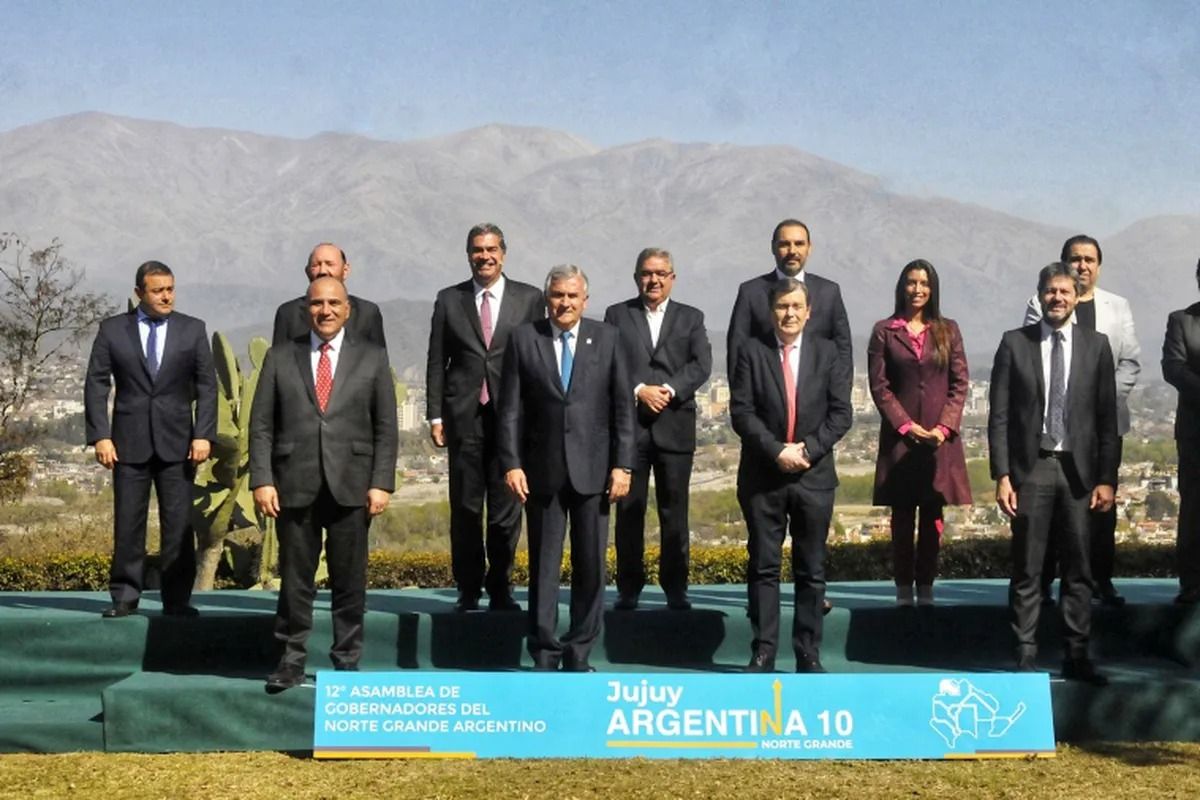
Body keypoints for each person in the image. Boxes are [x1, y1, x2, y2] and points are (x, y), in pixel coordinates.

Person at [250, 276, 398, 692]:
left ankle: (346, 662)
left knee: (350, 582)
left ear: (348, 308)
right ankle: (291, 661)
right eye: (318, 304)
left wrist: (381, 482)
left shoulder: (371, 357)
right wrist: (262, 479)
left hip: (353, 485)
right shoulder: (281, 357)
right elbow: (261, 424)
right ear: (306, 309)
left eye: (334, 303)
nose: (326, 310)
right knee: (295, 581)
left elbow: (386, 427)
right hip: (294, 484)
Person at [497, 265, 635, 672]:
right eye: (558, 295)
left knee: (591, 566)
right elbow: (509, 411)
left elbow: (622, 408)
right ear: (547, 298)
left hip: (595, 473)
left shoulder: (608, 339)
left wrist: (623, 465)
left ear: (585, 300)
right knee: (544, 566)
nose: (565, 303)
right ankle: (543, 651)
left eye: (573, 296)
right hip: (541, 474)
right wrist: (511, 464)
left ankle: (578, 652)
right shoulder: (525, 339)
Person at [989, 262, 1118, 686]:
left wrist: (1106, 478)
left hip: (1080, 474)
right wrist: (1003, 475)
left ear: (1077, 296)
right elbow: (1000, 416)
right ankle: (1024, 655)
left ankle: (1076, 656)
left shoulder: (1096, 346)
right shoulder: (1014, 344)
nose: (1057, 298)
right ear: (1039, 295)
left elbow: (1106, 418)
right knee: (1027, 568)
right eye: (1050, 291)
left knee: (1079, 570)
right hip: (1033, 469)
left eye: (1065, 291)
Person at [730, 278, 852, 673]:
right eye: (782, 307)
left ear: (809, 311)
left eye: (797, 306)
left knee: (811, 569)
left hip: (813, 477)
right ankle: (763, 650)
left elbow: (841, 414)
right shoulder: (751, 351)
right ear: (771, 311)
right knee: (764, 566)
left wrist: (808, 450)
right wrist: (776, 451)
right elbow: (742, 412)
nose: (789, 313)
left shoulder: (828, 353)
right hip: (763, 475)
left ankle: (808, 652)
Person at [84, 260, 217, 618]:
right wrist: (100, 436)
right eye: (158, 291)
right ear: (139, 293)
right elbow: (96, 383)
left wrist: (204, 434)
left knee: (178, 524)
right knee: (128, 522)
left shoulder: (192, 330)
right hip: (128, 444)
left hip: (179, 444)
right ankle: (125, 597)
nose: (166, 296)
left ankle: (177, 600)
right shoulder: (112, 330)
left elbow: (207, 385)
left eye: (170, 289)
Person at [425, 223, 544, 611]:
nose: (485, 256)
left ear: (504, 254)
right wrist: (434, 415)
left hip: (512, 417)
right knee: (465, 508)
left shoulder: (529, 299)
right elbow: (435, 361)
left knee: (507, 509)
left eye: (492, 249)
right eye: (478, 250)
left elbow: (537, 359)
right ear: (468, 255)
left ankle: (501, 586)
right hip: (464, 417)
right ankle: (468, 588)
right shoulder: (449, 300)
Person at [1024, 235, 1140, 606]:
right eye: (1075, 259)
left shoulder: (1118, 307)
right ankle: (1043, 584)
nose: (1083, 266)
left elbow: (1130, 363)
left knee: (1101, 507)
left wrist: (1097, 406)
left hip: (1104, 429)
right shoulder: (1038, 304)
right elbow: (1034, 360)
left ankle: (1100, 582)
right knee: (1050, 512)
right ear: (1063, 264)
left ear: (1099, 266)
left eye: (1090, 259)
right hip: (1053, 434)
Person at [604, 248, 712, 611]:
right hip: (630, 428)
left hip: (675, 426)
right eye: (647, 273)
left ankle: (676, 588)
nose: (654, 280)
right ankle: (628, 588)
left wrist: (667, 391)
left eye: (661, 273)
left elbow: (701, 364)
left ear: (673, 277)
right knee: (629, 511)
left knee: (674, 511)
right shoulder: (617, 315)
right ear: (637, 277)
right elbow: (610, 361)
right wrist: (639, 389)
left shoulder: (692, 318)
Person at [867, 260, 972, 606]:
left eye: (924, 283)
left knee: (933, 515)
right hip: (901, 438)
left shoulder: (948, 330)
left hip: (939, 440)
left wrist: (943, 428)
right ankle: (902, 591)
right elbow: (879, 386)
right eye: (911, 282)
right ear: (901, 286)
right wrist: (906, 425)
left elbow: (960, 383)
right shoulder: (885, 331)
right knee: (901, 516)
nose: (917, 289)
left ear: (933, 288)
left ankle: (926, 588)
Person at [726, 218, 851, 378]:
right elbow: (737, 349)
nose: (792, 251)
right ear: (773, 247)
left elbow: (843, 350)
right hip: (765, 398)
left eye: (799, 244)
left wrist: (840, 398)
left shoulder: (829, 293)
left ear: (809, 248)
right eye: (784, 244)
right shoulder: (751, 293)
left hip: (818, 399)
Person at [1160, 256, 1200, 606]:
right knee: (1194, 509)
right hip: (1196, 432)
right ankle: (1191, 584)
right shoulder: (1182, 321)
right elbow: (1173, 368)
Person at [272, 243, 387, 348]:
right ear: (307, 272)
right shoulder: (289, 314)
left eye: (329, 264)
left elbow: (378, 365)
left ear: (345, 270)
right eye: (316, 265)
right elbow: (279, 363)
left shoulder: (367, 314)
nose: (323, 271)